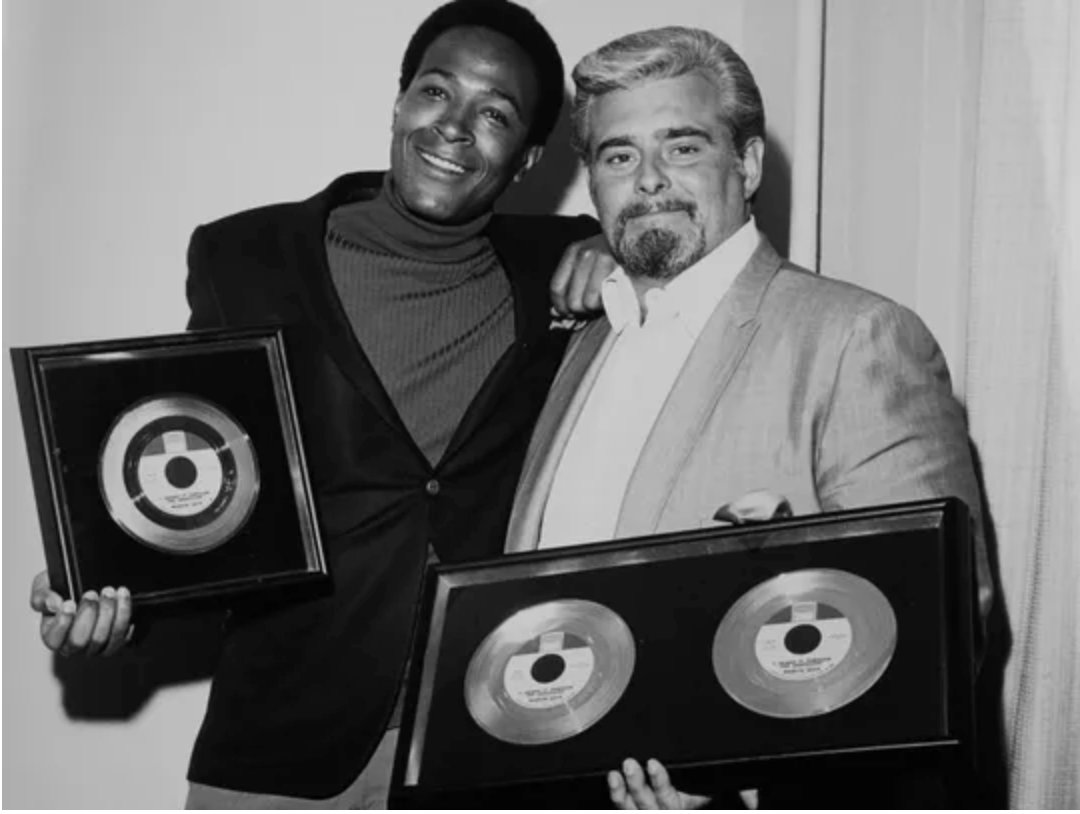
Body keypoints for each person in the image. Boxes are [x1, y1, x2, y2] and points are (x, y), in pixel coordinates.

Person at [28, 0, 614, 807]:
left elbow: (685, 246)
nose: (453, 126)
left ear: (526, 159)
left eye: (495, 114)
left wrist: (619, 246)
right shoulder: (247, 258)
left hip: (485, 743)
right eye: (436, 92)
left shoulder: (560, 263)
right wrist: (118, 599)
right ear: (399, 104)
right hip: (285, 739)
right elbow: (202, 468)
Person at [504, 26, 994, 809]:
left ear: (749, 164)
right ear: (592, 182)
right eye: (619, 155)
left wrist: (743, 794)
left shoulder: (855, 337)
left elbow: (936, 632)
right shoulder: (581, 348)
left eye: (683, 146)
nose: (650, 179)